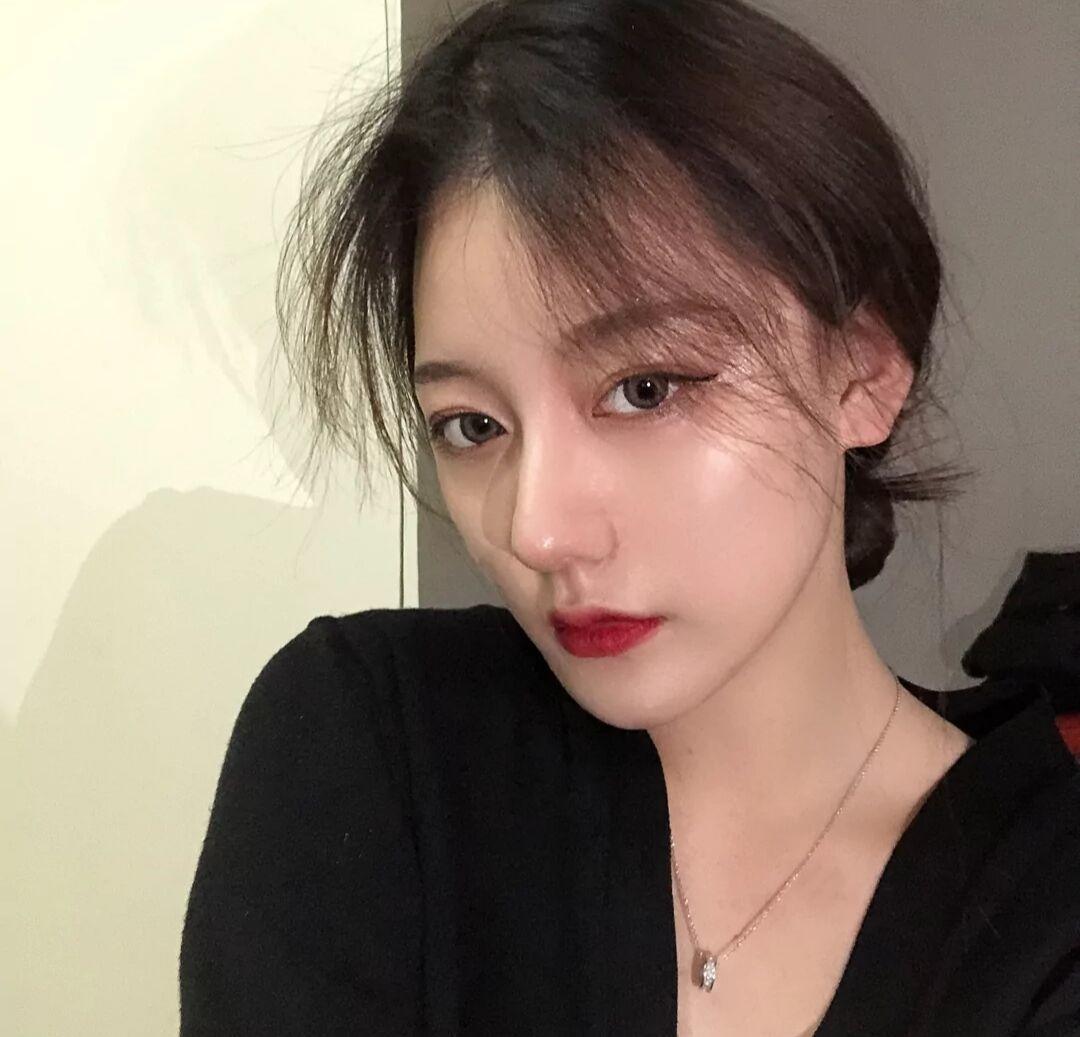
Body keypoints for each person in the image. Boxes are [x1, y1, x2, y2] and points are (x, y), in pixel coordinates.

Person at [178, 1, 1080, 1034]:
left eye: (645, 389)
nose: (537, 530)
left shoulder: (1046, 911)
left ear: (864, 370)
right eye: (472, 424)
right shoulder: (372, 756)